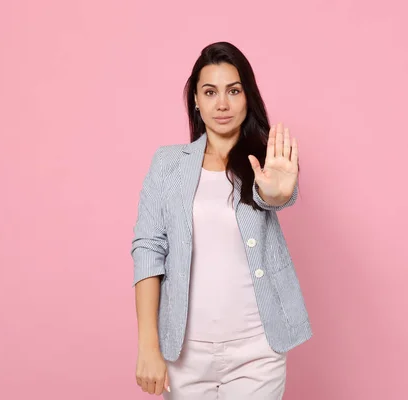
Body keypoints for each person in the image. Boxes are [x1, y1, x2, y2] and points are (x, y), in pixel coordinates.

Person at [131, 41, 312, 399]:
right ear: (196, 100)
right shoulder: (167, 165)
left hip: (256, 353)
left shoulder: (266, 161)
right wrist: (147, 346)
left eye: (233, 90)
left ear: (248, 96)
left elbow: (275, 195)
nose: (223, 104)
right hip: (184, 354)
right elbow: (148, 249)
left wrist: (277, 192)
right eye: (210, 92)